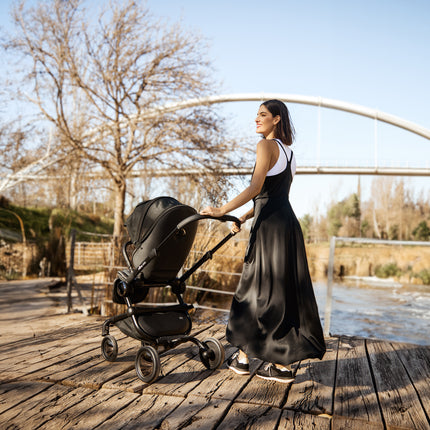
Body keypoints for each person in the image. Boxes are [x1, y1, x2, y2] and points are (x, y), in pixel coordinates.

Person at [200, 99, 326, 383]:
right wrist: (243, 217)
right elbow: (271, 196)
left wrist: (222, 210)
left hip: (269, 227)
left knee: (252, 288)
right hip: (287, 225)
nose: (256, 120)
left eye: (262, 115)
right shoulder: (290, 153)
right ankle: (279, 364)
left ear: (277, 119)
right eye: (256, 115)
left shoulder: (265, 146)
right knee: (279, 291)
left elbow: (256, 187)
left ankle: (245, 358)